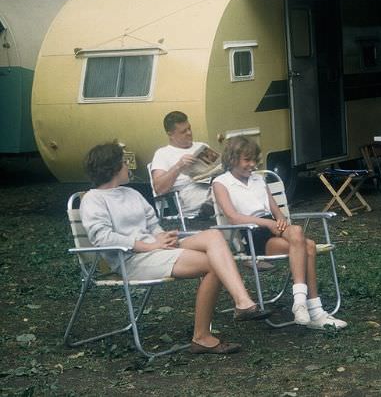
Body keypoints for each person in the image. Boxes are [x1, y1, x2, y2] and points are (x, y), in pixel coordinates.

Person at [80, 142, 270, 355]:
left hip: (155, 248)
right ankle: (202, 336)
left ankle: (242, 302)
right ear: (112, 167)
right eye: (124, 162)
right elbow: (102, 237)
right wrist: (149, 245)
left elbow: (152, 225)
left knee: (214, 235)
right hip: (131, 260)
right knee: (213, 265)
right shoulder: (93, 199)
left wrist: (163, 236)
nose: (128, 167)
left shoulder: (131, 193)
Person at [212, 136, 347, 330]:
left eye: (254, 160)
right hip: (252, 233)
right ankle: (315, 311)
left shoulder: (258, 179)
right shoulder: (221, 183)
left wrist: (280, 220)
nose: (252, 165)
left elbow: (277, 213)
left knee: (298, 231)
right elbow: (233, 217)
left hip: (274, 227)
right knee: (308, 245)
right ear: (232, 159)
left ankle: (300, 302)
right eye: (247, 160)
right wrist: (267, 223)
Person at [151, 111, 214, 217]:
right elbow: (159, 189)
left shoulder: (202, 146)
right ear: (170, 134)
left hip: (210, 186)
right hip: (188, 193)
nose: (189, 133)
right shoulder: (162, 154)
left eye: (189, 128)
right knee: (226, 195)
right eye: (183, 131)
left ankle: (212, 201)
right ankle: (212, 203)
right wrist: (178, 166)